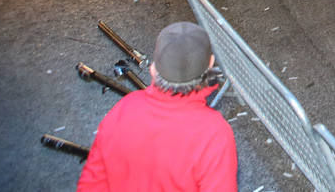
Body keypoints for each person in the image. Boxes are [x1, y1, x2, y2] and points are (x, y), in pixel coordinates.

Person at [76, 21, 237, 192]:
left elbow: (92, 181)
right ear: (210, 64)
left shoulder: (124, 108)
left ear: (153, 69)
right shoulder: (215, 134)